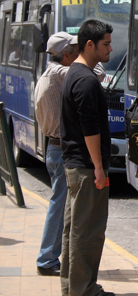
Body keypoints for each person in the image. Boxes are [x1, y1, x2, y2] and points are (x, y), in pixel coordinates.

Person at [60, 19, 114, 296]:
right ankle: (83, 289)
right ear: (89, 44)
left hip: (75, 164)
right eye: (105, 44)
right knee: (88, 232)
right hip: (85, 167)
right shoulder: (86, 80)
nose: (110, 49)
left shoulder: (74, 73)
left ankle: (74, 286)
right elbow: (89, 128)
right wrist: (99, 169)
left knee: (74, 231)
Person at [34, 32, 79, 276]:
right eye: (76, 48)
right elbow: (98, 75)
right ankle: (47, 258)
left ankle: (50, 257)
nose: (80, 51)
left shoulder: (52, 72)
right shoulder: (61, 73)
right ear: (66, 55)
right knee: (59, 205)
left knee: (60, 204)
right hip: (61, 149)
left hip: (55, 147)